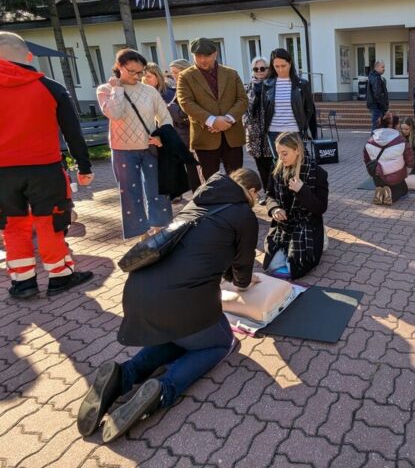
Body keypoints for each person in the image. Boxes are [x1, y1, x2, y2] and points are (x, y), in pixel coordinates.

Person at [76, 169, 261, 442]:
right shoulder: (244, 215)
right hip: (182, 304)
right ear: (253, 192)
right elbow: (242, 273)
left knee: (183, 334)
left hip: (139, 292)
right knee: (221, 342)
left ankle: (125, 374)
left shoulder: (198, 201)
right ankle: (162, 390)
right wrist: (246, 281)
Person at [0, 32, 94, 299]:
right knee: (49, 222)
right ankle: (60, 275)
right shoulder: (51, 87)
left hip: (2, 173)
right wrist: (84, 167)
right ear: (29, 56)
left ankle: (23, 281)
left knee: (13, 226)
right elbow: (72, 132)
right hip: (44, 168)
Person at [97, 49, 173, 240]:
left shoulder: (149, 91)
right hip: (122, 150)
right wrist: (117, 89)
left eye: (141, 72)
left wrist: (161, 135)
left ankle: (160, 227)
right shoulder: (105, 90)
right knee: (130, 192)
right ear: (120, 67)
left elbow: (165, 117)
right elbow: (115, 114)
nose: (138, 76)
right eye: (133, 71)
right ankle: (141, 233)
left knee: (157, 188)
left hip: (149, 147)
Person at [176, 38, 248, 180]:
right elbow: (186, 102)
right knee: (209, 181)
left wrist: (227, 119)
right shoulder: (185, 77)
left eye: (207, 56)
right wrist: (212, 121)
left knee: (237, 179)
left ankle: (237, 202)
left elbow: (242, 99)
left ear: (215, 54)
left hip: (232, 135)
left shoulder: (231, 74)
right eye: (198, 56)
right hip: (204, 137)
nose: (202, 60)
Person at [263, 132, 328, 280]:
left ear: (297, 150)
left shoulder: (318, 173)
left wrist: (302, 191)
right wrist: (274, 209)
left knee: (294, 267)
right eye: (278, 153)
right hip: (284, 225)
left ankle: (320, 237)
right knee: (272, 265)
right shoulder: (277, 170)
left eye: (284, 153)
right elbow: (269, 195)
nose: (280, 158)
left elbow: (321, 208)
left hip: (306, 224)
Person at [260, 47, 317, 160]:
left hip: (295, 132)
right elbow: (264, 109)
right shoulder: (267, 85)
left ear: (290, 63)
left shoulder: (302, 84)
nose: (280, 69)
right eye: (277, 66)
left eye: (283, 66)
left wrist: (310, 131)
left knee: (298, 164)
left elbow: (310, 109)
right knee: (279, 165)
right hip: (274, 132)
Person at [166, 59, 201, 194]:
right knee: (191, 169)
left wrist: (170, 109)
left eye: (176, 72)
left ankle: (201, 195)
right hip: (184, 136)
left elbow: (186, 112)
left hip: (194, 134)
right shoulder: (179, 87)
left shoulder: (192, 87)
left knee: (198, 168)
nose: (174, 75)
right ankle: (197, 195)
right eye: (172, 73)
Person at [364, 112, 414, 205]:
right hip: (396, 174)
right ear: (396, 125)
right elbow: (409, 159)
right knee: (403, 192)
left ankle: (380, 190)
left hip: (377, 174)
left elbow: (366, 159)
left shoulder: (370, 141)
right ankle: (390, 194)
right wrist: (408, 171)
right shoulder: (401, 141)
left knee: (382, 178)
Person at [244, 56, 273, 204]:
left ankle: (276, 194)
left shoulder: (273, 85)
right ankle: (268, 194)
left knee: (273, 166)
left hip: (270, 133)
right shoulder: (248, 87)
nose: (260, 71)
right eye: (256, 69)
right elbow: (243, 109)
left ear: (268, 69)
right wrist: (246, 123)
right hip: (255, 135)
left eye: (263, 68)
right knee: (261, 166)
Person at [366, 60, 389, 132]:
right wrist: (384, 107)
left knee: (377, 128)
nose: (384, 69)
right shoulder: (376, 78)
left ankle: (374, 142)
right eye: (382, 67)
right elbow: (377, 95)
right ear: (377, 67)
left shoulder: (374, 77)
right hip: (377, 107)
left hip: (376, 106)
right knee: (376, 129)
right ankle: (372, 143)